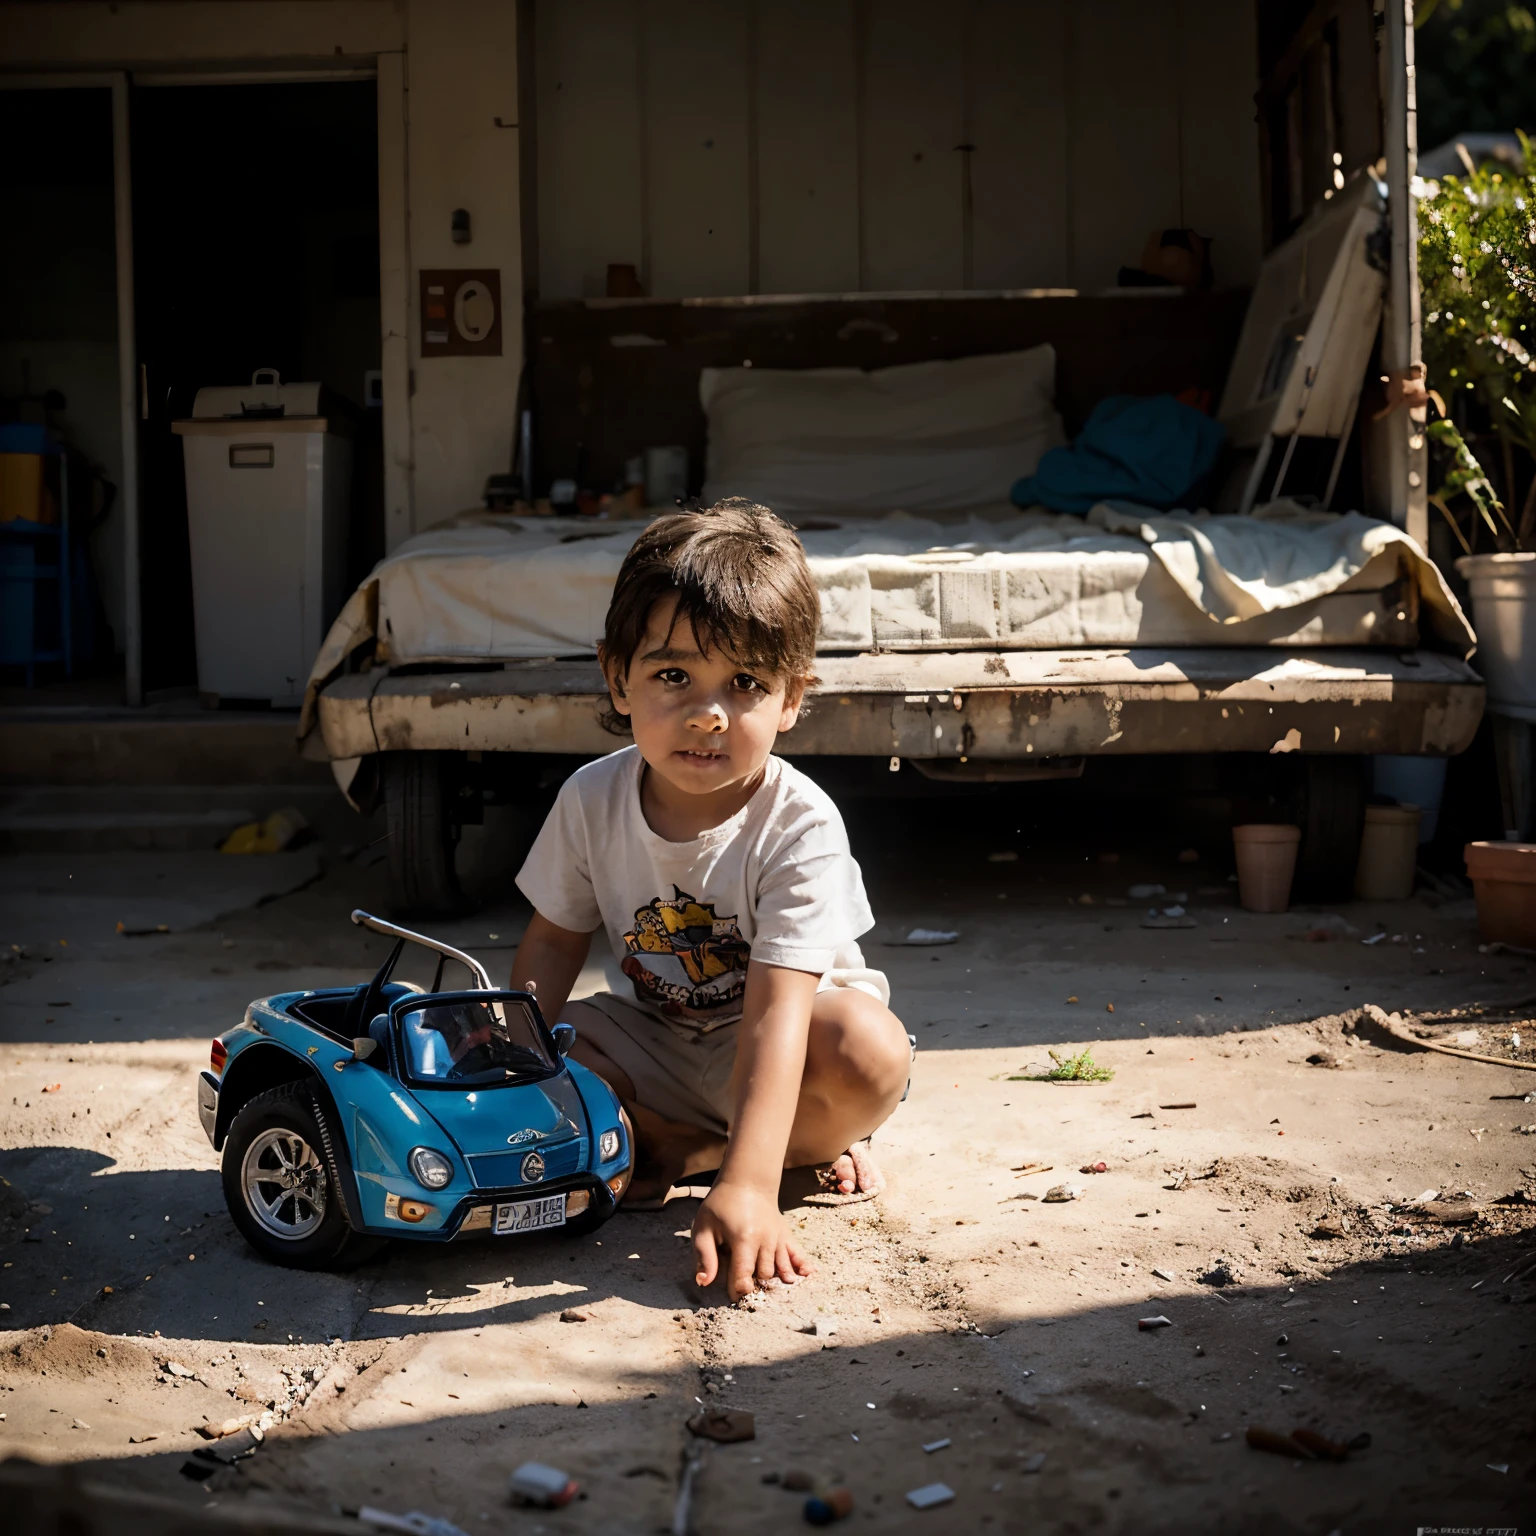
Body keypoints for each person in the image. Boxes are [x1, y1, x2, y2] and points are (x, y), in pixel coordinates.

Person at [509, 500, 912, 1301]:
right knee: (550, 1043)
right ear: (615, 675)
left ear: (792, 699)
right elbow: (553, 944)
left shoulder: (802, 825)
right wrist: (502, 1074)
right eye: (672, 675)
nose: (706, 712)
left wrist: (754, 1187)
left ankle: (746, 1154)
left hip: (787, 1046)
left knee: (870, 1050)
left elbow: (776, 1014)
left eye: (746, 683)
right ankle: (694, 1148)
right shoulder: (592, 798)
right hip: (654, 1033)